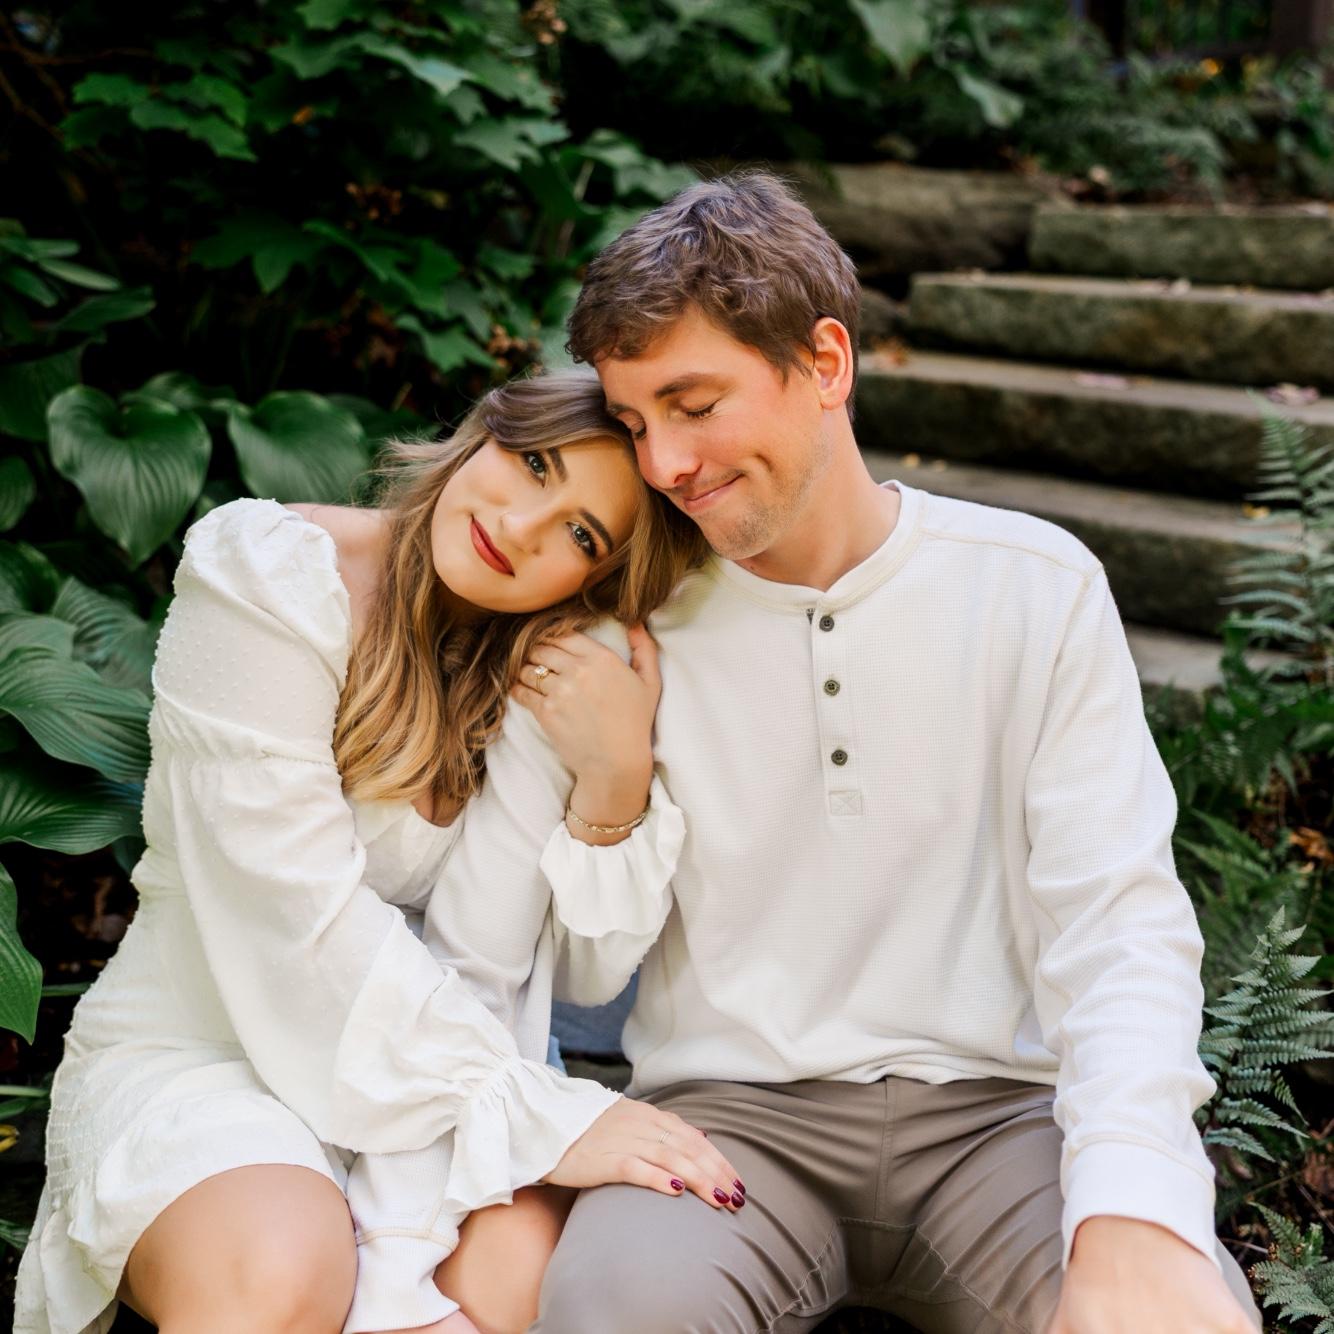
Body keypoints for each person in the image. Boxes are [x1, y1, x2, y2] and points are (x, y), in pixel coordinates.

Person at [397, 171, 1268, 1333]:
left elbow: (1118, 928)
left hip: (1004, 1121)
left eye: (693, 404)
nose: (663, 465)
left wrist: (1129, 1208)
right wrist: (610, 789)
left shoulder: (1034, 586)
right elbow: (548, 967)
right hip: (728, 1130)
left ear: (824, 361)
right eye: (638, 422)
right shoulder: (619, 630)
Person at [12, 368, 748, 1334]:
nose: (521, 526)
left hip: (439, 1082)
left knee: (525, 1286)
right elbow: (287, 917)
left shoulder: (550, 663)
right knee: (278, 1273)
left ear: (597, 578)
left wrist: (614, 777)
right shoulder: (266, 574)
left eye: (580, 535)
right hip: (212, 1049)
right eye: (534, 465)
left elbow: (574, 972)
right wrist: (530, 1109)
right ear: (486, 429)